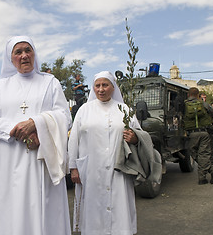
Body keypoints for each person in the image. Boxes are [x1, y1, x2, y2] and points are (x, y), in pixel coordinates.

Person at [0, 36, 72, 235]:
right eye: (18, 52)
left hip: (40, 159)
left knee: (42, 209)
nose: (24, 56)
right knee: (9, 210)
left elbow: (65, 116)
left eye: (27, 50)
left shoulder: (50, 82)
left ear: (34, 53)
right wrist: (18, 130)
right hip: (7, 162)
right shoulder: (1, 86)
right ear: (10, 58)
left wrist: (36, 124)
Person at [68, 71, 161, 235]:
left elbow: (139, 135)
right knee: (93, 207)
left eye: (105, 85)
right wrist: (73, 167)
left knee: (119, 206)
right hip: (91, 169)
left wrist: (134, 138)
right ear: (93, 88)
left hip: (119, 169)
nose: (101, 89)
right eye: (97, 85)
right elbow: (73, 139)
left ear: (113, 87)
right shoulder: (84, 110)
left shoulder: (124, 110)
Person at [183, 87, 213, 185]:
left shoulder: (184, 105)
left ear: (188, 95)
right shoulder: (204, 104)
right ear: (198, 95)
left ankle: (202, 178)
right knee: (204, 154)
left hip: (192, 133)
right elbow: (212, 113)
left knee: (193, 153)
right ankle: (211, 169)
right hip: (205, 132)